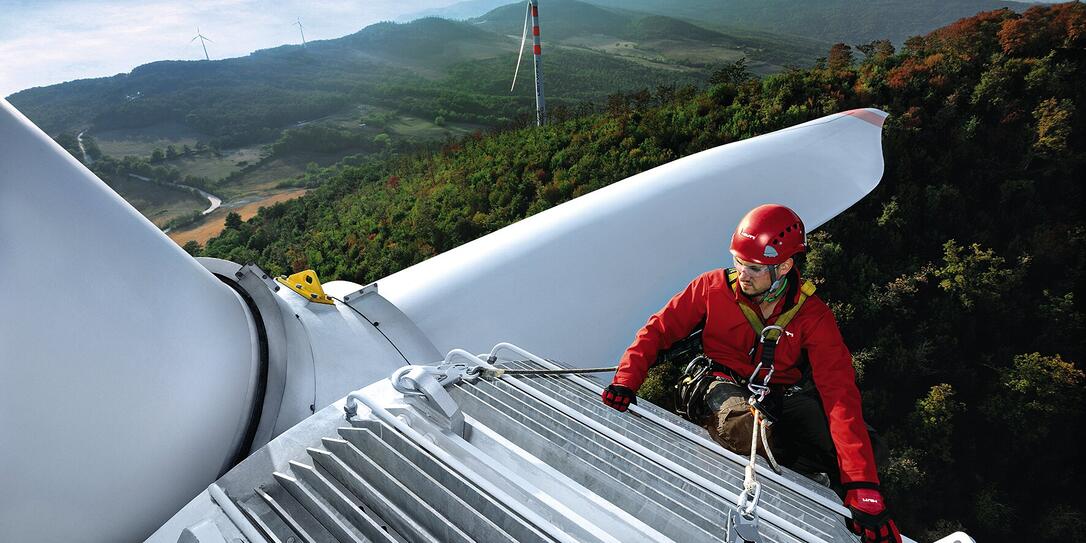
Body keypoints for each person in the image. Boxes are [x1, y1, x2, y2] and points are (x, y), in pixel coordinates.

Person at [601, 204, 901, 543]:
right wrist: (626, 380)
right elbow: (659, 330)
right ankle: (797, 468)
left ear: (785, 266)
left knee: (870, 449)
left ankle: (817, 479)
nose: (742, 274)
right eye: (738, 262)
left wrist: (863, 485)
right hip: (719, 381)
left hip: (779, 395)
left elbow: (839, 394)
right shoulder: (711, 288)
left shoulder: (812, 317)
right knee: (745, 427)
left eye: (755, 267)